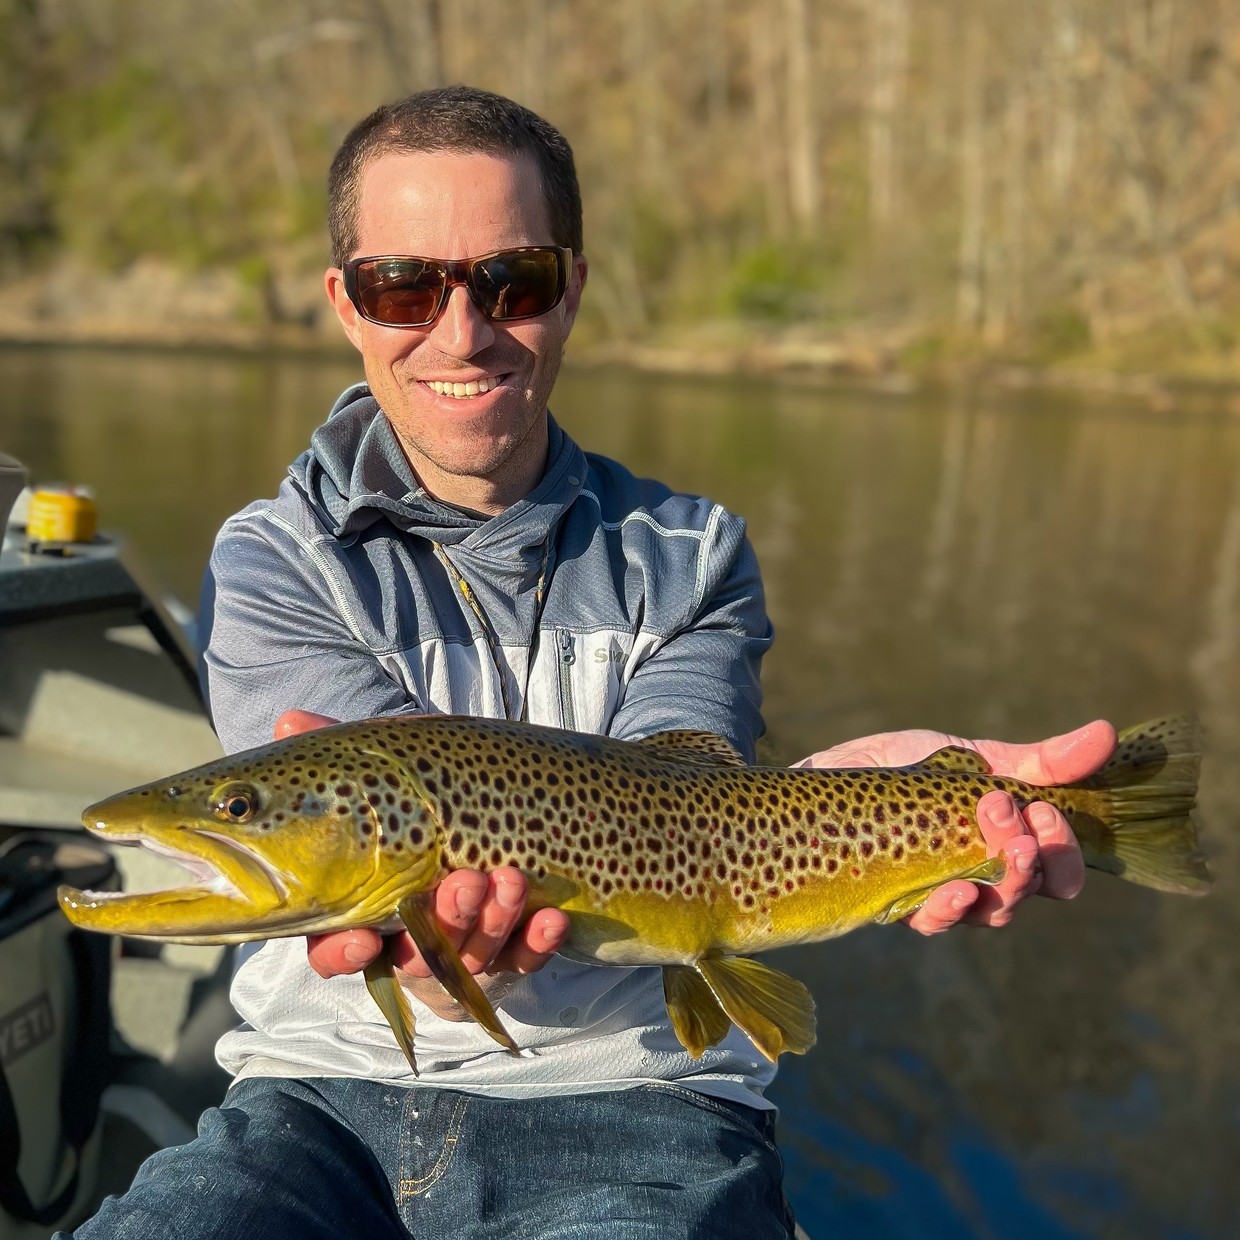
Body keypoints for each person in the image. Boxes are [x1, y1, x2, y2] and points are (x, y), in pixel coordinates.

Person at [65, 86, 1115, 1239]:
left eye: (509, 281)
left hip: (641, 1102)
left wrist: (911, 803)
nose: (460, 333)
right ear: (346, 303)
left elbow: (688, 781)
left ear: (571, 290)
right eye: (404, 286)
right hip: (318, 1108)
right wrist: (422, 938)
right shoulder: (274, 558)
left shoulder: (692, 550)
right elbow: (378, 836)